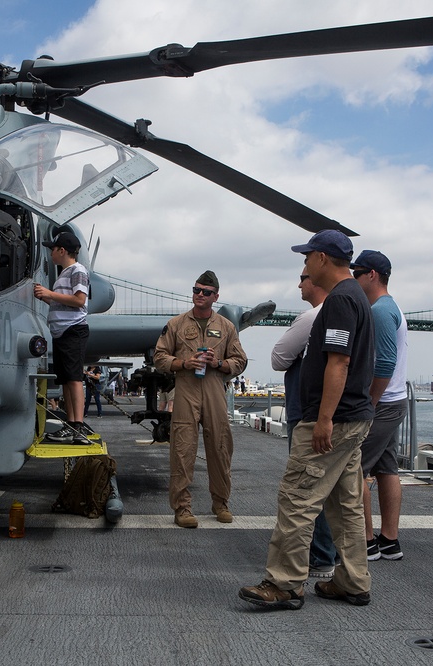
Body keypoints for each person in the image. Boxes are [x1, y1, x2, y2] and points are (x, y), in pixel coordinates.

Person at [239, 231, 374, 610]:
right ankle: (352, 580)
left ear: (322, 259)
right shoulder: (356, 298)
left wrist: (323, 420)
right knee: (345, 504)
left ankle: (284, 583)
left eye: (306, 258)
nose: (303, 266)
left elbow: (340, 361)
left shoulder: (341, 301)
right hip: (354, 417)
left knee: (297, 498)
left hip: (333, 419)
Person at [153, 270, 247, 527]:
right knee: (182, 448)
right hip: (186, 389)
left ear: (216, 296)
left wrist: (219, 363)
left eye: (205, 292)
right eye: (196, 290)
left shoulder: (226, 327)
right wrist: (184, 362)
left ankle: (221, 503)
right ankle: (182, 508)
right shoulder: (176, 324)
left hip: (215, 389)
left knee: (220, 446)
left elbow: (241, 361)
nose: (199, 295)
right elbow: (159, 357)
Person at [270, 271, 335, 580]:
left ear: (316, 281)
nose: (298, 284)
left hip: (305, 412)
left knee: (305, 487)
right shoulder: (349, 313)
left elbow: (278, 358)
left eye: (303, 277)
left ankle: (319, 556)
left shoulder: (311, 317)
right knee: (334, 491)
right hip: (334, 412)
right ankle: (332, 553)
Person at [350, 250, 409, 562]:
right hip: (395, 401)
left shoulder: (379, 312)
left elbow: (384, 363)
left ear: (371, 275)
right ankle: (390, 541)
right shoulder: (391, 306)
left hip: (382, 404)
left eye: (356, 272)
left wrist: (368, 403)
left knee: (354, 468)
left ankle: (367, 542)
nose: (352, 278)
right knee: (387, 469)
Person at [34, 231, 91, 444]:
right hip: (62, 332)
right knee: (67, 379)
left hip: (72, 330)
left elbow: (79, 300)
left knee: (74, 379)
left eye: (53, 249)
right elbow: (65, 302)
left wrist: (48, 294)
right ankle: (70, 424)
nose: (50, 253)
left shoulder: (77, 270)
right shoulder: (65, 273)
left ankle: (78, 426)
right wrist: (47, 298)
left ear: (62, 250)